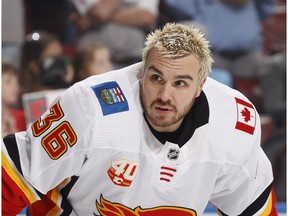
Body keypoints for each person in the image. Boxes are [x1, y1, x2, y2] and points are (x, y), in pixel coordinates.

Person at [2, 23, 277, 215]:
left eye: (180, 83)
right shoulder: (91, 106)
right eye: (156, 78)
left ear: (201, 85)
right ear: (142, 72)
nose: (165, 95)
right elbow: (10, 178)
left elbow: (253, 208)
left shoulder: (233, 124)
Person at [70, 0, 159, 64]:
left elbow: (147, 17)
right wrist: (102, 16)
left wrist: (93, 19)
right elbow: (102, 12)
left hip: (134, 60)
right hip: (96, 62)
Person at [2, 60, 26, 137]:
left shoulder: (23, 117)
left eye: (17, 82)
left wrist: (13, 131)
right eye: (8, 81)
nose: (15, 87)